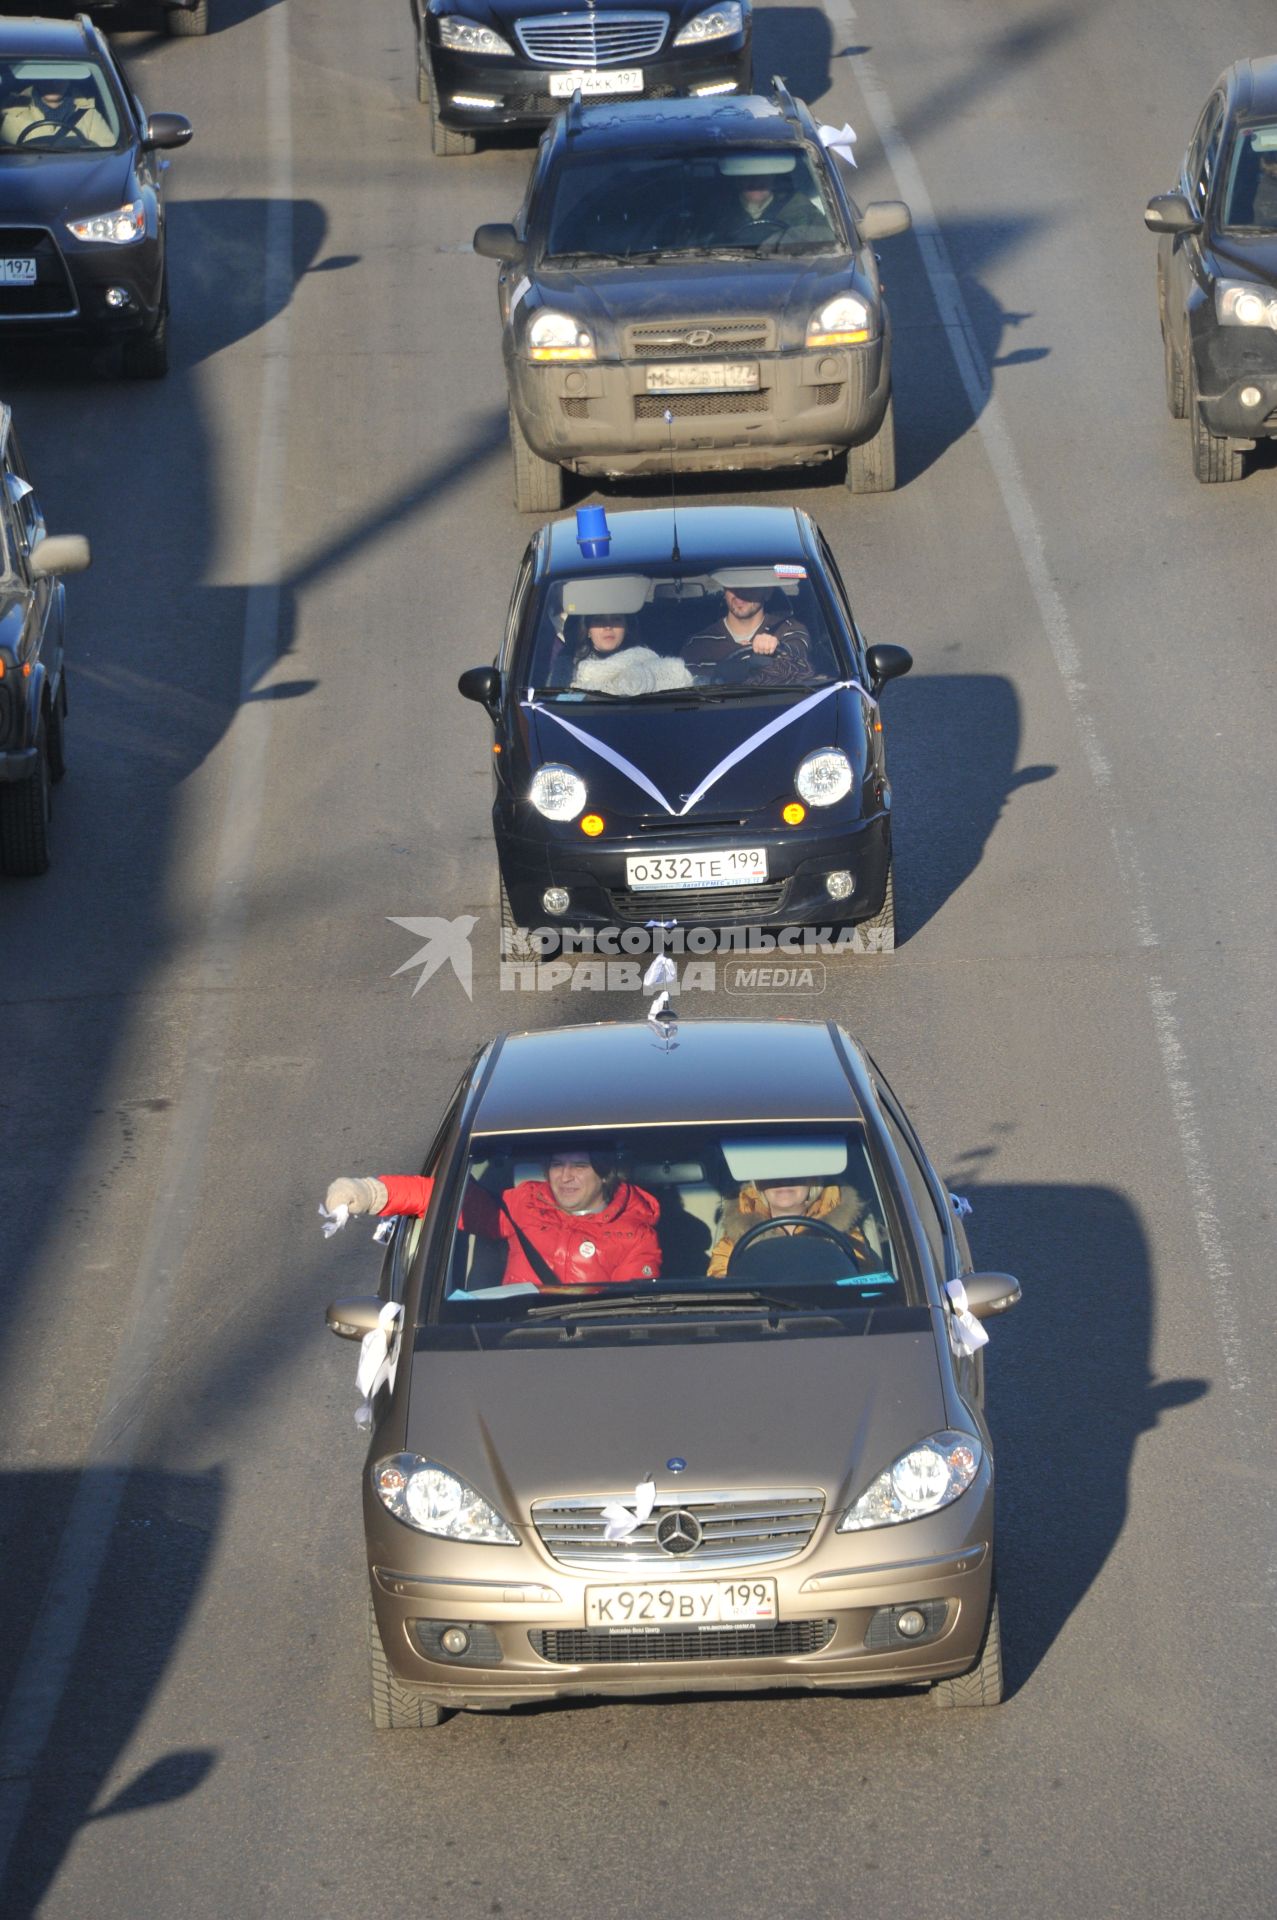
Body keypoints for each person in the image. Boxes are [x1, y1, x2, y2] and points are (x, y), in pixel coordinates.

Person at [325, 1145, 662, 1288]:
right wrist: (373, 1192)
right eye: (557, 1165)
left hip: (588, 1354)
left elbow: (629, 1313)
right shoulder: (526, 1204)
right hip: (504, 1339)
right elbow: (450, 1202)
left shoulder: (636, 1235)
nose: (565, 1176)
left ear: (604, 1175)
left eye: (580, 1165)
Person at [708, 1174, 871, 1277]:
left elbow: (862, 1285)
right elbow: (723, 1292)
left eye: (796, 1174)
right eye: (771, 1173)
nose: (783, 1181)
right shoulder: (734, 1239)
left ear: (813, 1180)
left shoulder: (845, 1234)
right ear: (758, 1183)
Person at [682, 585, 817, 688]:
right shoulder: (698, 644)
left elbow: (799, 653)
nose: (739, 593)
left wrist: (778, 647)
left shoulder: (788, 630)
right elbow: (687, 692)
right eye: (732, 585)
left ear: (767, 592)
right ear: (724, 590)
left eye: (749, 586)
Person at [568, 612, 696, 697]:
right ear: (588, 630)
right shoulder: (568, 664)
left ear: (626, 627)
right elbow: (561, 699)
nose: (608, 626)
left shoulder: (645, 658)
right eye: (599, 620)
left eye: (616, 619)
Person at [712, 160, 830, 248]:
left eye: (763, 176)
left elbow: (825, 242)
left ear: (773, 178)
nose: (756, 182)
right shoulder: (716, 211)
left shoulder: (799, 207)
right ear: (737, 180)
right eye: (748, 176)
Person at [0, 73, 115, 150]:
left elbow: (108, 155)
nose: (53, 81)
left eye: (59, 75)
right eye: (47, 75)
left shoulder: (89, 113)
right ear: (37, 78)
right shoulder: (12, 112)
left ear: (69, 79)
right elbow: (8, 164)